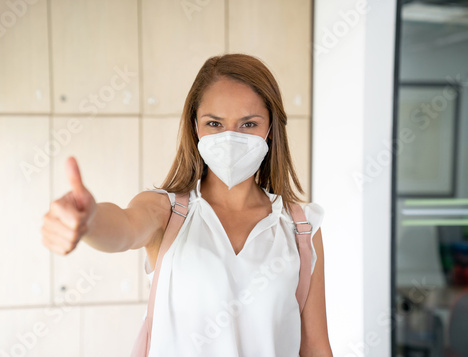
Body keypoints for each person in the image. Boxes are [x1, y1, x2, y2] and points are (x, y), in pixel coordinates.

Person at [41, 53, 332, 356]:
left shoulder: (302, 228)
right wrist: (89, 221)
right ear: (195, 128)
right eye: (214, 123)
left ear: (270, 129)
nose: (230, 138)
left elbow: (315, 347)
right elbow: (125, 228)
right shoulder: (168, 213)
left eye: (248, 124)